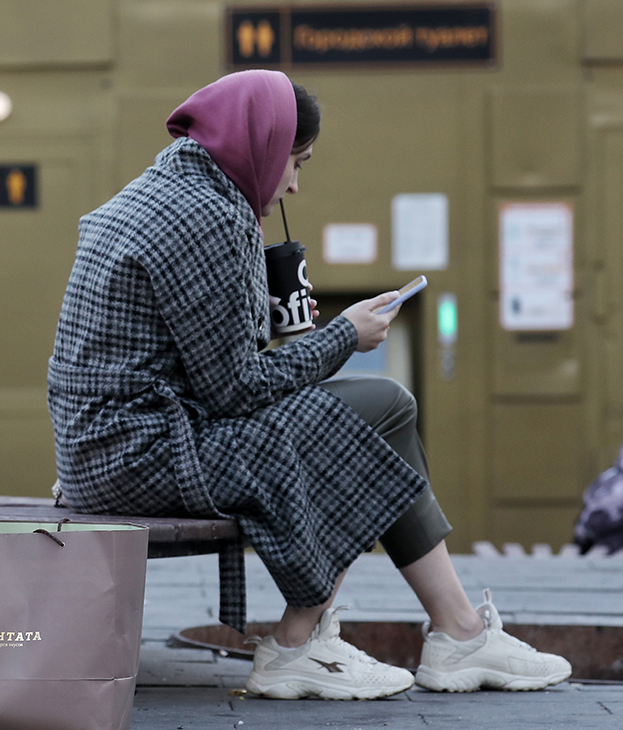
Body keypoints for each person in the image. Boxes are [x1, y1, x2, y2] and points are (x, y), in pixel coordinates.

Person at [47, 69, 572, 700]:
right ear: (261, 146)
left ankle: (455, 630)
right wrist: (344, 336)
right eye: (295, 162)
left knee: (378, 412)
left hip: (105, 450)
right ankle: (305, 644)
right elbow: (236, 390)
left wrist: (264, 317)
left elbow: (180, 357)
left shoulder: (163, 192)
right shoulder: (208, 216)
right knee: (381, 405)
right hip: (143, 456)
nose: (294, 182)